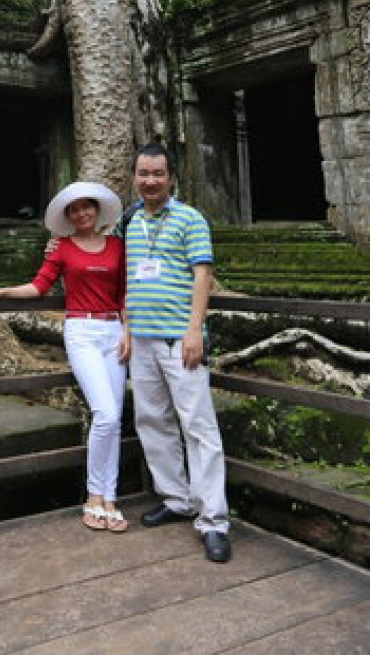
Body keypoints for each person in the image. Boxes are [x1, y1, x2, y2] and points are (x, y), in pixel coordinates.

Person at [0, 181, 128, 532]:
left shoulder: (119, 247)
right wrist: (3, 291)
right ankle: (93, 496)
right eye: (74, 210)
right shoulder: (61, 248)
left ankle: (110, 497)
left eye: (86, 207)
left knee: (115, 419)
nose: (81, 214)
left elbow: (124, 295)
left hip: (114, 333)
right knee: (104, 414)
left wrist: (128, 332)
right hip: (82, 333)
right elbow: (39, 286)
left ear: (97, 210)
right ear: (68, 217)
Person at [122, 142, 231, 563]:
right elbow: (129, 282)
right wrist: (128, 331)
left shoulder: (191, 218)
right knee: (151, 420)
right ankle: (177, 498)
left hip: (178, 339)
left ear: (171, 177)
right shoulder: (129, 222)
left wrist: (194, 332)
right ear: (134, 177)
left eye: (158, 174)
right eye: (143, 173)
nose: (150, 181)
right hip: (143, 341)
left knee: (199, 427)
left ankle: (214, 521)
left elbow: (202, 276)